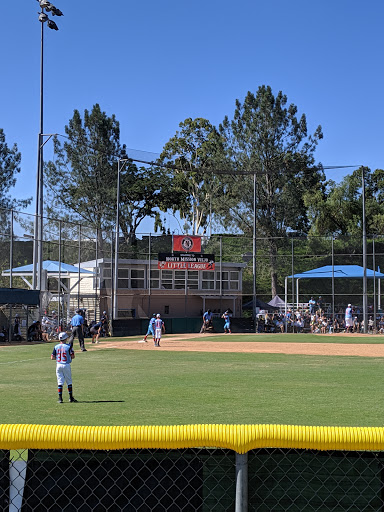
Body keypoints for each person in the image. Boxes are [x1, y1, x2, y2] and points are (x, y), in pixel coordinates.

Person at [51, 332, 77, 403]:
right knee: (69, 381)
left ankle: (60, 398)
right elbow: (73, 356)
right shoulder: (69, 346)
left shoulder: (56, 346)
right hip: (66, 364)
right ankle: (71, 397)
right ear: (65, 338)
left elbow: (52, 357)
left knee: (60, 382)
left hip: (58, 364)